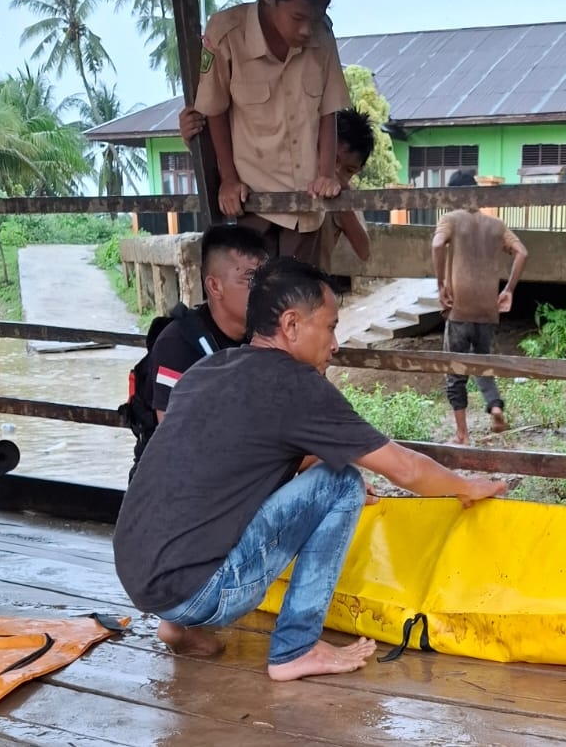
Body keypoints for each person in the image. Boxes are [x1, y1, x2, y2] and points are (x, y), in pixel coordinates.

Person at [113, 258, 507, 680]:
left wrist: (315, 462)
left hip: (135, 571)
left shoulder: (209, 369)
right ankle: (294, 649)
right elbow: (405, 469)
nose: (335, 343)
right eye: (331, 326)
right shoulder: (298, 387)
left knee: (310, 469)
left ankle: (176, 625)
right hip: (201, 591)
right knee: (342, 482)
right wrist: (464, 486)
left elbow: (215, 465)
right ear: (292, 325)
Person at [192, 0, 350, 265]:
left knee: (299, 306)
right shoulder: (226, 34)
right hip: (253, 205)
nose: (307, 30)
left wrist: (326, 174)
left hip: (306, 206)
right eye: (298, 17)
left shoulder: (323, 38)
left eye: (316, 18)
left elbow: (328, 111)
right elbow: (214, 112)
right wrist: (229, 179)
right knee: (255, 305)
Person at [125, 224, 269, 482]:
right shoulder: (178, 345)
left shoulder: (263, 338)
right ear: (214, 287)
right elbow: (177, 444)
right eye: (250, 280)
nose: (264, 291)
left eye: (267, 280)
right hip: (175, 487)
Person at [180, 106, 373, 271]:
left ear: (359, 170)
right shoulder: (281, 173)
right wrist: (195, 142)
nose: (337, 171)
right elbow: (227, 170)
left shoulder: (346, 193)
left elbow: (364, 250)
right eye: (334, 160)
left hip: (308, 286)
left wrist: (340, 199)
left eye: (348, 170)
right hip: (260, 279)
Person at [431, 171, 528, 445]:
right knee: (482, 362)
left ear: (454, 196)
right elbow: (522, 252)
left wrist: (440, 285)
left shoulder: (450, 219)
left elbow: (437, 244)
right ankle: (495, 407)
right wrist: (508, 289)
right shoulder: (496, 225)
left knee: (455, 370)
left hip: (460, 307)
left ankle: (462, 434)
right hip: (487, 310)